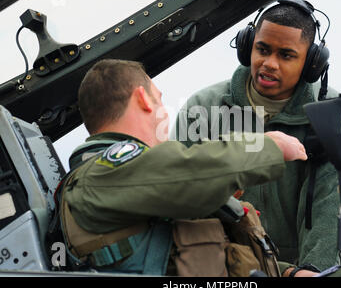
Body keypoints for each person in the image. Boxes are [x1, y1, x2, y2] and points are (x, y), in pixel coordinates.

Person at [55, 58, 308, 276]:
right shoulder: (105, 172)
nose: (165, 113)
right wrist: (267, 146)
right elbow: (194, 170)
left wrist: (288, 272)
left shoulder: (124, 184)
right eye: (159, 99)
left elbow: (180, 248)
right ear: (143, 99)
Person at [172, 0, 341, 276]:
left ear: (311, 64)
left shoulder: (331, 113)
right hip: (220, 268)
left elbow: (329, 203)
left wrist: (312, 271)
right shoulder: (202, 108)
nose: (269, 63)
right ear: (247, 46)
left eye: (286, 55)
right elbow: (181, 196)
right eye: (262, 49)